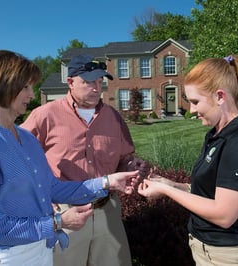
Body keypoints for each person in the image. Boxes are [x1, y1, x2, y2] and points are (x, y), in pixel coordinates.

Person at [0, 50, 140, 266]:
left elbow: (51, 188)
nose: (32, 95)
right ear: (3, 85)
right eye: (26, 87)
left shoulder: (25, 138)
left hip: (40, 248)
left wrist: (107, 182)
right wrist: (58, 222)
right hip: (8, 257)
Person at [138, 54, 238, 265]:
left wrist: (166, 191)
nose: (191, 110)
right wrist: (173, 184)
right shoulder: (217, 134)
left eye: (195, 102)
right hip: (206, 250)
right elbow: (210, 192)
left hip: (233, 257)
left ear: (220, 96)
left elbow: (224, 215)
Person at [21, 53, 149, 266]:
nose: (96, 88)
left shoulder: (113, 118)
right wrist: (40, 195)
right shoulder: (44, 116)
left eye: (100, 82)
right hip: (66, 213)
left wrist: (132, 165)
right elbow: (20, 160)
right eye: (88, 82)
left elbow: (124, 158)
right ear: (70, 82)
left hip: (107, 210)